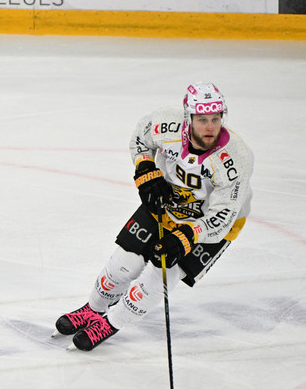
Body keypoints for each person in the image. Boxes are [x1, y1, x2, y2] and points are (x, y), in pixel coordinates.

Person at [55, 82, 254, 351]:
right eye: (203, 119)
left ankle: (110, 323)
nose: (210, 127)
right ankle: (93, 310)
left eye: (216, 119)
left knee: (156, 278)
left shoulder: (235, 160)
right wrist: (146, 168)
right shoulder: (165, 124)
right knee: (122, 265)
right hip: (166, 203)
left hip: (208, 225)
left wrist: (185, 237)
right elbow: (140, 139)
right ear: (188, 117)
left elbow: (222, 216)